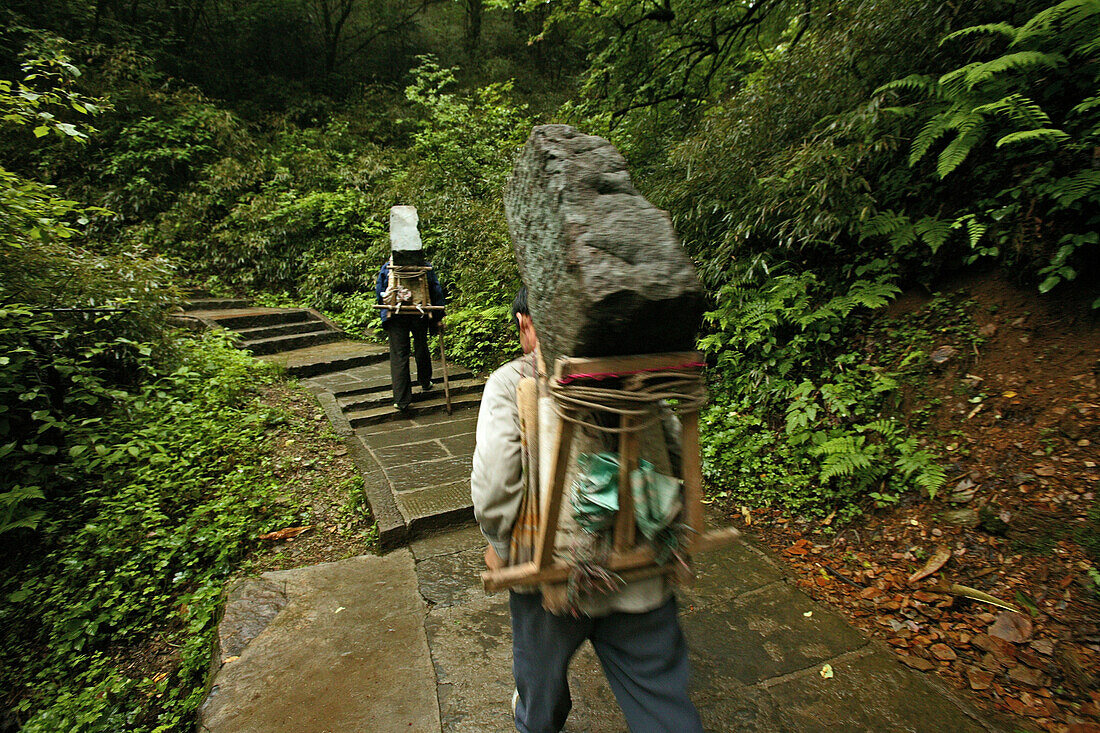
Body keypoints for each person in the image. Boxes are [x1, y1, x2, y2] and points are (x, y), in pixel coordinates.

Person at [470, 287, 704, 733]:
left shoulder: (511, 381)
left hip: (553, 573)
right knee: (661, 702)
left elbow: (497, 483)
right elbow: (679, 455)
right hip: (641, 567)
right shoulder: (639, 375)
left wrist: (499, 544)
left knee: (539, 693)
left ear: (526, 323)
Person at [375, 257, 445, 412]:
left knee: (399, 354)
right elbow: (435, 290)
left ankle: (401, 400)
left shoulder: (389, 267)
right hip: (419, 312)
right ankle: (425, 381)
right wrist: (439, 317)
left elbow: (380, 294)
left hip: (396, 315)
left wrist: (384, 313)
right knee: (421, 345)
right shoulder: (424, 266)